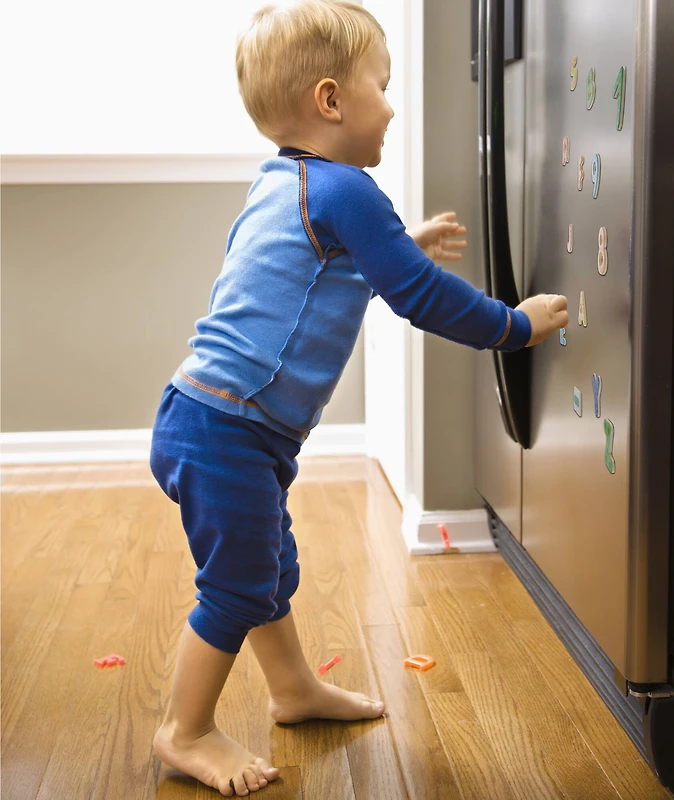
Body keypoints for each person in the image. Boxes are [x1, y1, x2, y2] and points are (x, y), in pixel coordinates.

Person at [149, 1, 569, 795]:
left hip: (215, 419)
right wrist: (514, 326)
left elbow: (318, 274)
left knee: (268, 566)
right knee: (238, 584)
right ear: (332, 100)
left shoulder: (288, 181)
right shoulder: (347, 189)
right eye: (382, 84)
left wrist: (399, 244)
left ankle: (293, 689)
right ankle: (186, 729)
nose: (394, 102)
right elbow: (418, 298)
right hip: (227, 429)